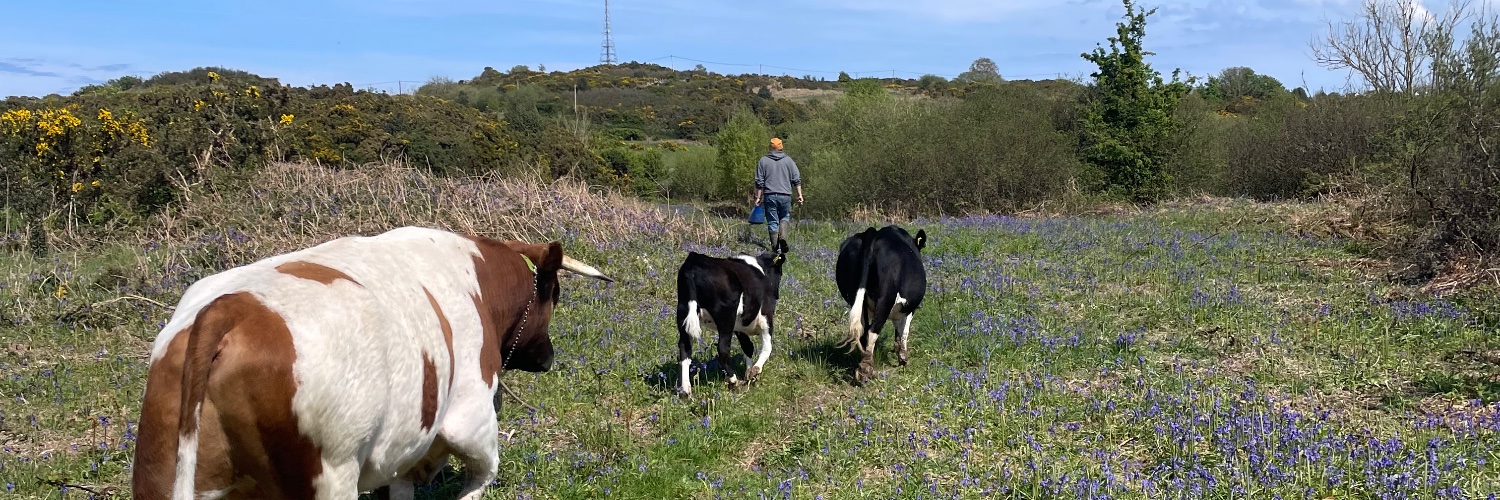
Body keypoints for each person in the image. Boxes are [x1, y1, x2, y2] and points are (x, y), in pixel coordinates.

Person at [753, 137, 803, 246]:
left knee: (772, 221)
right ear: (781, 147)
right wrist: (800, 195)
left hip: (770, 195)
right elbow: (796, 179)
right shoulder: (789, 160)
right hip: (785, 195)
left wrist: (758, 197)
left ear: (770, 147)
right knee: (784, 217)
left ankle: (776, 248)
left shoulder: (763, 161)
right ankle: (783, 238)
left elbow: (759, 181)